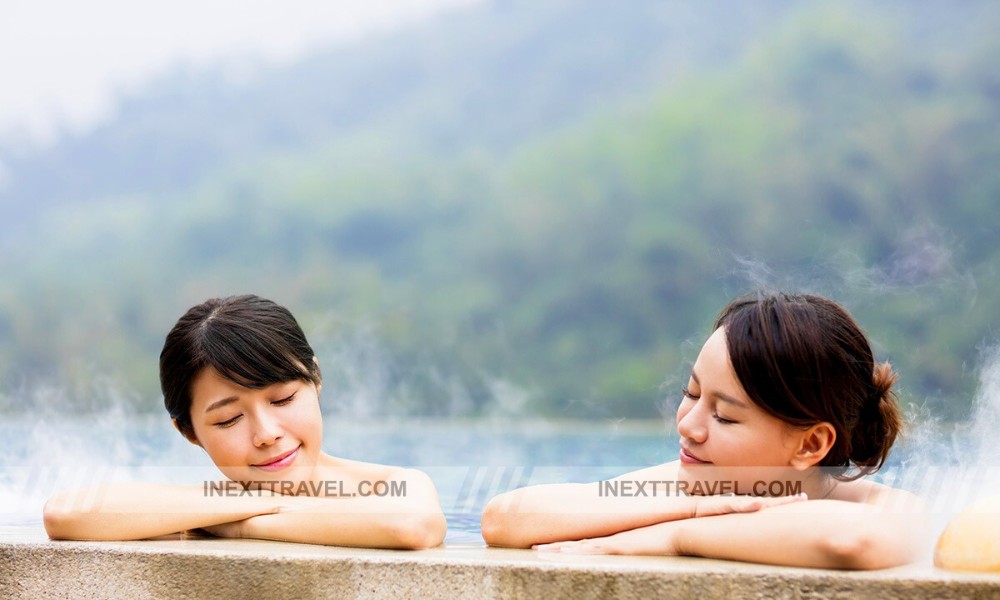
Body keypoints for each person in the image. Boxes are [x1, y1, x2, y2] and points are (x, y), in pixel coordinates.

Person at [481, 291, 924, 569]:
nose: (688, 426)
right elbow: (506, 518)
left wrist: (675, 537)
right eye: (691, 393)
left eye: (725, 416)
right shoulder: (696, 486)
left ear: (810, 443)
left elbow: (856, 540)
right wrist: (691, 510)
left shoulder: (883, 506)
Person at [44, 295, 447, 549]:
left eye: (283, 398)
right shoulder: (208, 504)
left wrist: (239, 527)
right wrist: (248, 505)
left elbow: (412, 524)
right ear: (189, 432)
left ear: (316, 380)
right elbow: (66, 514)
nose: (267, 433)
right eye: (229, 418)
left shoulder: (394, 485)